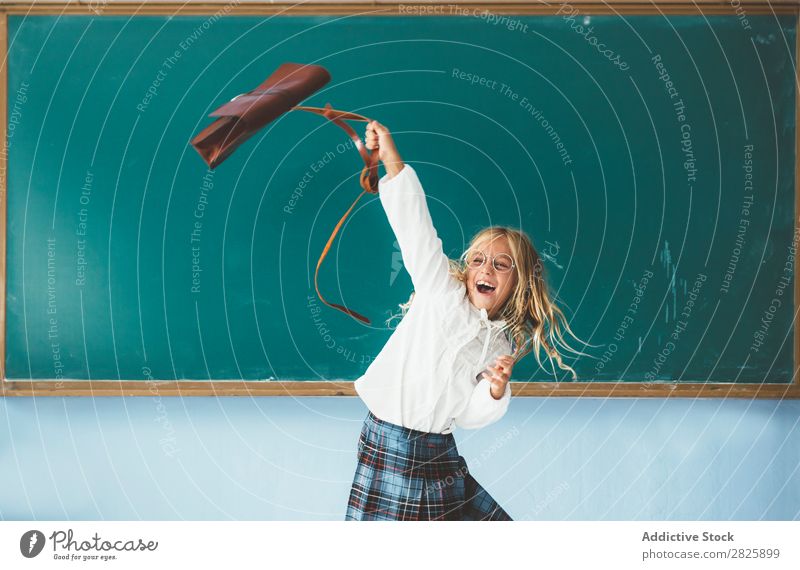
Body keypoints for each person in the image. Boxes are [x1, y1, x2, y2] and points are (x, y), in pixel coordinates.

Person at [345, 120, 586, 521]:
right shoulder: (439, 289)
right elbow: (414, 228)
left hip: (437, 451)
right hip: (389, 442)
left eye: (501, 264)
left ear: (518, 282)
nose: (485, 269)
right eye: (478, 260)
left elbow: (468, 417)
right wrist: (391, 160)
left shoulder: (502, 343)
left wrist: (493, 390)